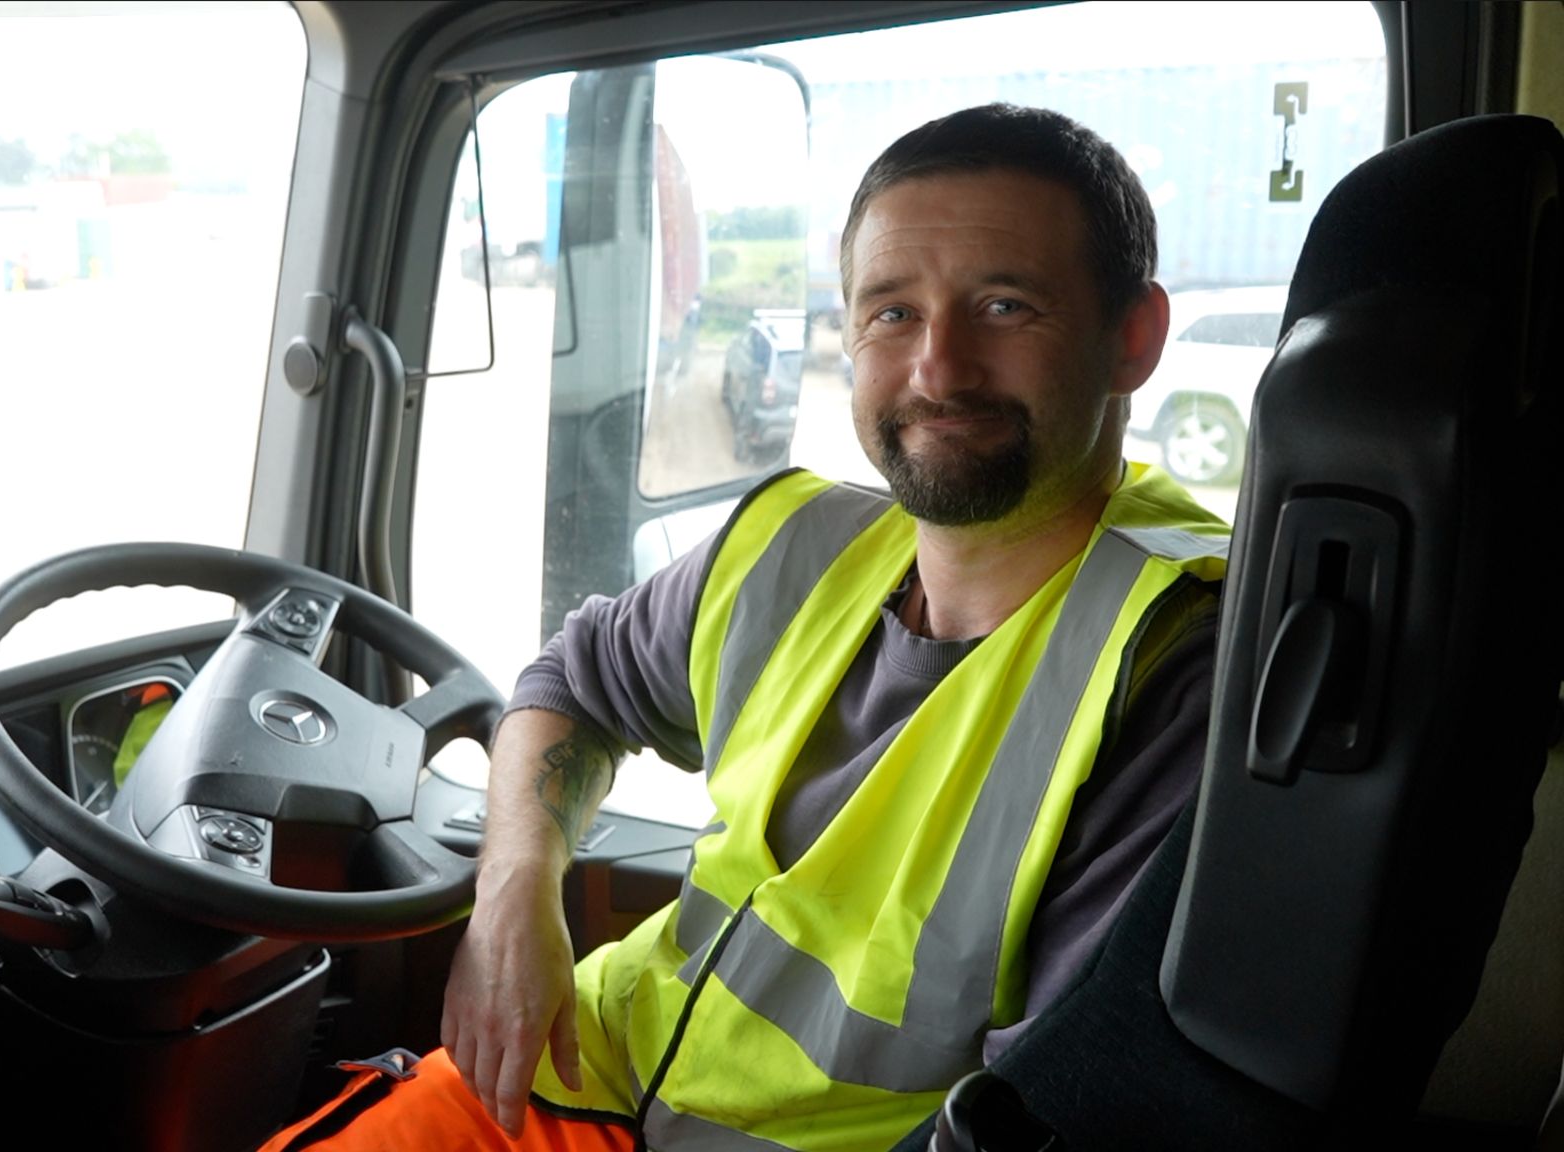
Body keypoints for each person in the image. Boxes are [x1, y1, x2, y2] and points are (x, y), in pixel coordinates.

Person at [263, 102, 1229, 1151]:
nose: (937, 369)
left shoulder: (1170, 658)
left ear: (1129, 338)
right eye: (891, 313)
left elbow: (1045, 1108)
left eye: (1003, 307)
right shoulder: (795, 542)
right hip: (586, 1072)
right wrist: (511, 893)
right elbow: (570, 686)